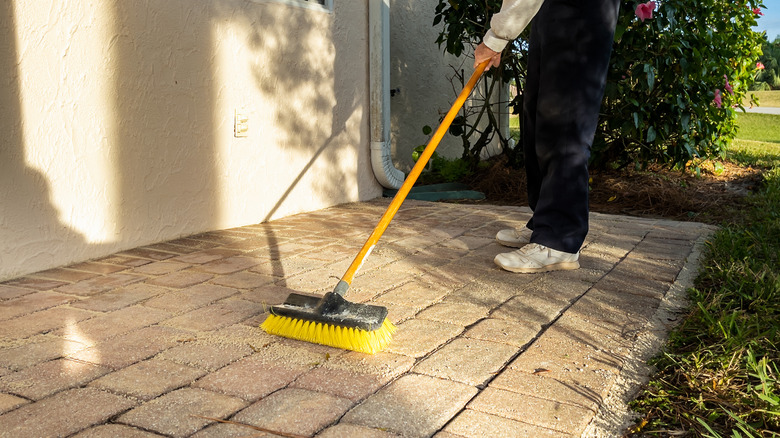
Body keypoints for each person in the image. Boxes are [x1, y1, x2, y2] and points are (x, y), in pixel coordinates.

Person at [473, 0, 621, 273]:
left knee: (565, 121)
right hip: (551, 10)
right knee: (538, 116)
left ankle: (559, 239)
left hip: (581, 12)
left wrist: (497, 37)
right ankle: (544, 222)